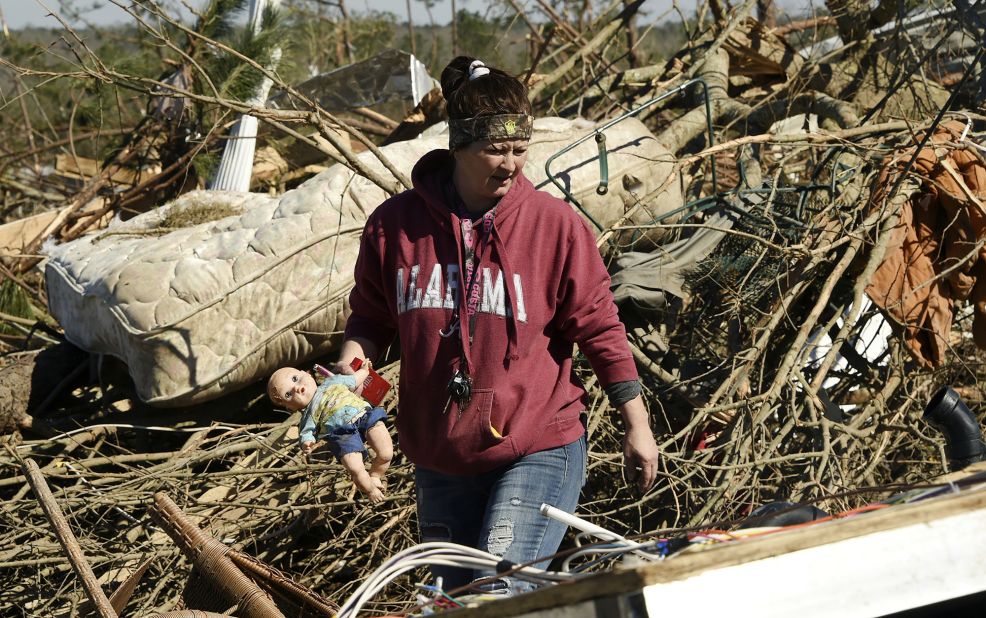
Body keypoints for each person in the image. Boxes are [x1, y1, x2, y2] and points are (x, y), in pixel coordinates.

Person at [332, 56, 660, 593]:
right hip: (439, 455)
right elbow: (370, 326)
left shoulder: (554, 227)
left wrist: (636, 424)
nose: (510, 164)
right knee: (454, 604)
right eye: (494, 149)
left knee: (499, 593)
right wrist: (357, 394)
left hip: (539, 442)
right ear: (457, 145)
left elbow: (600, 328)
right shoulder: (395, 228)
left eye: (519, 149)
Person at [267, 364, 392, 503]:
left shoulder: (333, 381)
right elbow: (306, 433)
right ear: (290, 407)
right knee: (356, 469)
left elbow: (354, 379)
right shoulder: (308, 416)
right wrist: (307, 443)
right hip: (343, 435)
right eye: (288, 394)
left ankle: (376, 475)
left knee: (386, 453)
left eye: (295, 378)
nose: (296, 388)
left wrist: (364, 370)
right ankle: (371, 490)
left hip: (364, 416)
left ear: (307, 374)